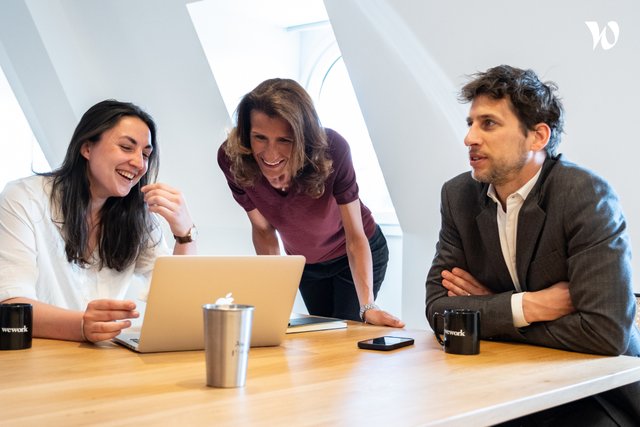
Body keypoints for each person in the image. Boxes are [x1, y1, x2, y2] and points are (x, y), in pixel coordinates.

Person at [425, 65, 639, 425]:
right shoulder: (458, 195)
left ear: (538, 136)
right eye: (470, 123)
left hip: (598, 393)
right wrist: (529, 305)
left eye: (488, 124)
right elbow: (438, 312)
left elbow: (606, 333)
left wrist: (489, 308)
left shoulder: (584, 194)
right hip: (509, 381)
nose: (469, 138)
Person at [0, 100, 197, 343]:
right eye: (126, 147)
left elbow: (178, 301)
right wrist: (82, 325)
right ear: (87, 148)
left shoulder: (139, 215)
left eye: (145, 154)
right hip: (40, 354)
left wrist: (185, 234)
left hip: (103, 356)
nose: (139, 164)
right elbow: (11, 305)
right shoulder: (24, 198)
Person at [218, 78, 403, 327]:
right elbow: (263, 230)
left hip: (354, 251)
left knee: (345, 332)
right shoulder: (232, 158)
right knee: (323, 334)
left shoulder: (333, 149)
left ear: (303, 138)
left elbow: (355, 236)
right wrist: (274, 303)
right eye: (259, 137)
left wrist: (368, 306)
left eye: (284, 140)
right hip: (307, 263)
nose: (270, 154)